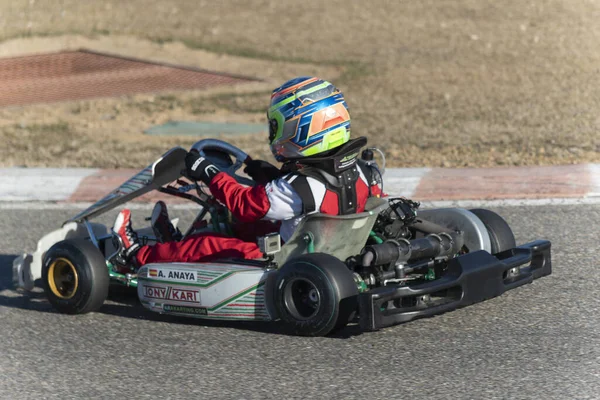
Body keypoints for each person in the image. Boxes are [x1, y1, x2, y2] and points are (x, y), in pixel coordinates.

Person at [112, 76, 382, 268]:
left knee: (211, 245)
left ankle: (137, 255)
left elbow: (244, 204)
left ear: (301, 130)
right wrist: (261, 171)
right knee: (240, 225)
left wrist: (208, 171)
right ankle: (173, 247)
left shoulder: (300, 187)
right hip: (333, 248)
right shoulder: (364, 171)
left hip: (288, 259)